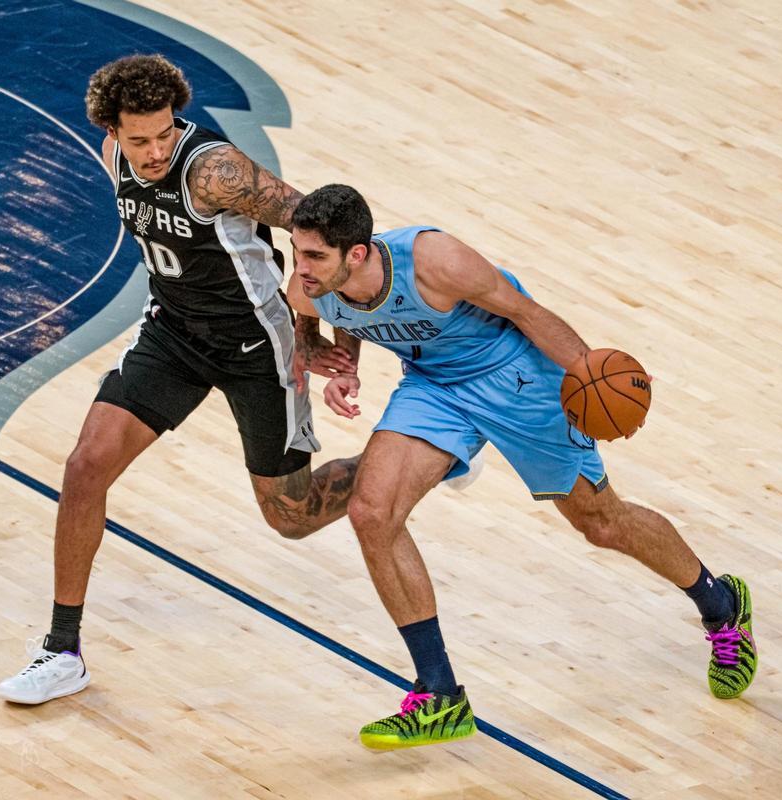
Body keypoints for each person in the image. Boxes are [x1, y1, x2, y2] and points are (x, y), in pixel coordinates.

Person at [285, 184, 757, 750]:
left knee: (601, 524)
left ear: (356, 253)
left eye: (314, 256)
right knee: (370, 511)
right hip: (434, 389)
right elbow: (321, 319)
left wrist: (593, 376)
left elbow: (528, 313)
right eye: (297, 251)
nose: (301, 266)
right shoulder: (310, 286)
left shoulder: (436, 261)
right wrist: (340, 365)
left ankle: (721, 605)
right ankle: (439, 695)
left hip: (519, 379)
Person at [0, 55, 360, 704]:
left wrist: (318, 332)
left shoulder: (214, 172)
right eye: (140, 139)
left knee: (294, 516)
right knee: (86, 467)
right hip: (173, 334)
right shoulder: (113, 155)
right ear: (113, 131)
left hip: (255, 347)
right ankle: (62, 651)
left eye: (166, 132)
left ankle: (420, 453)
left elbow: (324, 229)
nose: (157, 149)